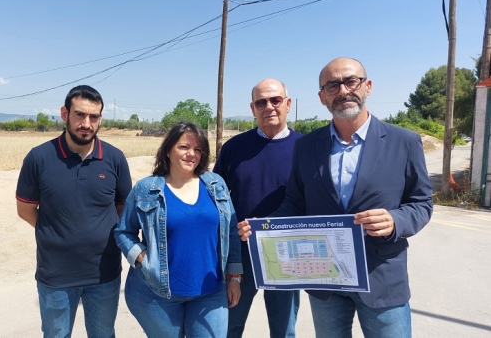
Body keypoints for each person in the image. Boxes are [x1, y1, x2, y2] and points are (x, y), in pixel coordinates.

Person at [238, 58, 433, 338]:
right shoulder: (306, 147)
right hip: (325, 281)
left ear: (367, 86)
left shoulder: (404, 141)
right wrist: (264, 228)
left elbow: (421, 203)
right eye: (332, 85)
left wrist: (395, 220)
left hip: (381, 279)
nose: (342, 90)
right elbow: (294, 203)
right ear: (322, 97)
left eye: (350, 81)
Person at [16, 85, 132, 338]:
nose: (86, 123)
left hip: (104, 272)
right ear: (64, 113)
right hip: (56, 275)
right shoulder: (39, 158)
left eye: (94, 117)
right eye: (80, 115)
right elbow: (25, 209)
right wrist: (57, 231)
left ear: (100, 119)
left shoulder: (114, 159)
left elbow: (124, 209)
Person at [114, 122, 242, 337]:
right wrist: (142, 257)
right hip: (156, 294)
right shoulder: (146, 189)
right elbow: (124, 232)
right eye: (184, 147)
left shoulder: (216, 185)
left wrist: (235, 278)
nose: (191, 154)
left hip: (210, 293)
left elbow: (231, 232)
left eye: (198, 149)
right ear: (168, 150)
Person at [213, 78, 301, 338]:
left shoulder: (306, 149)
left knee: (284, 329)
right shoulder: (234, 148)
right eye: (261, 102)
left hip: (288, 255)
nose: (269, 106)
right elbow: (217, 199)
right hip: (242, 256)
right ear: (253, 108)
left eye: (275, 100)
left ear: (287, 104)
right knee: (230, 325)